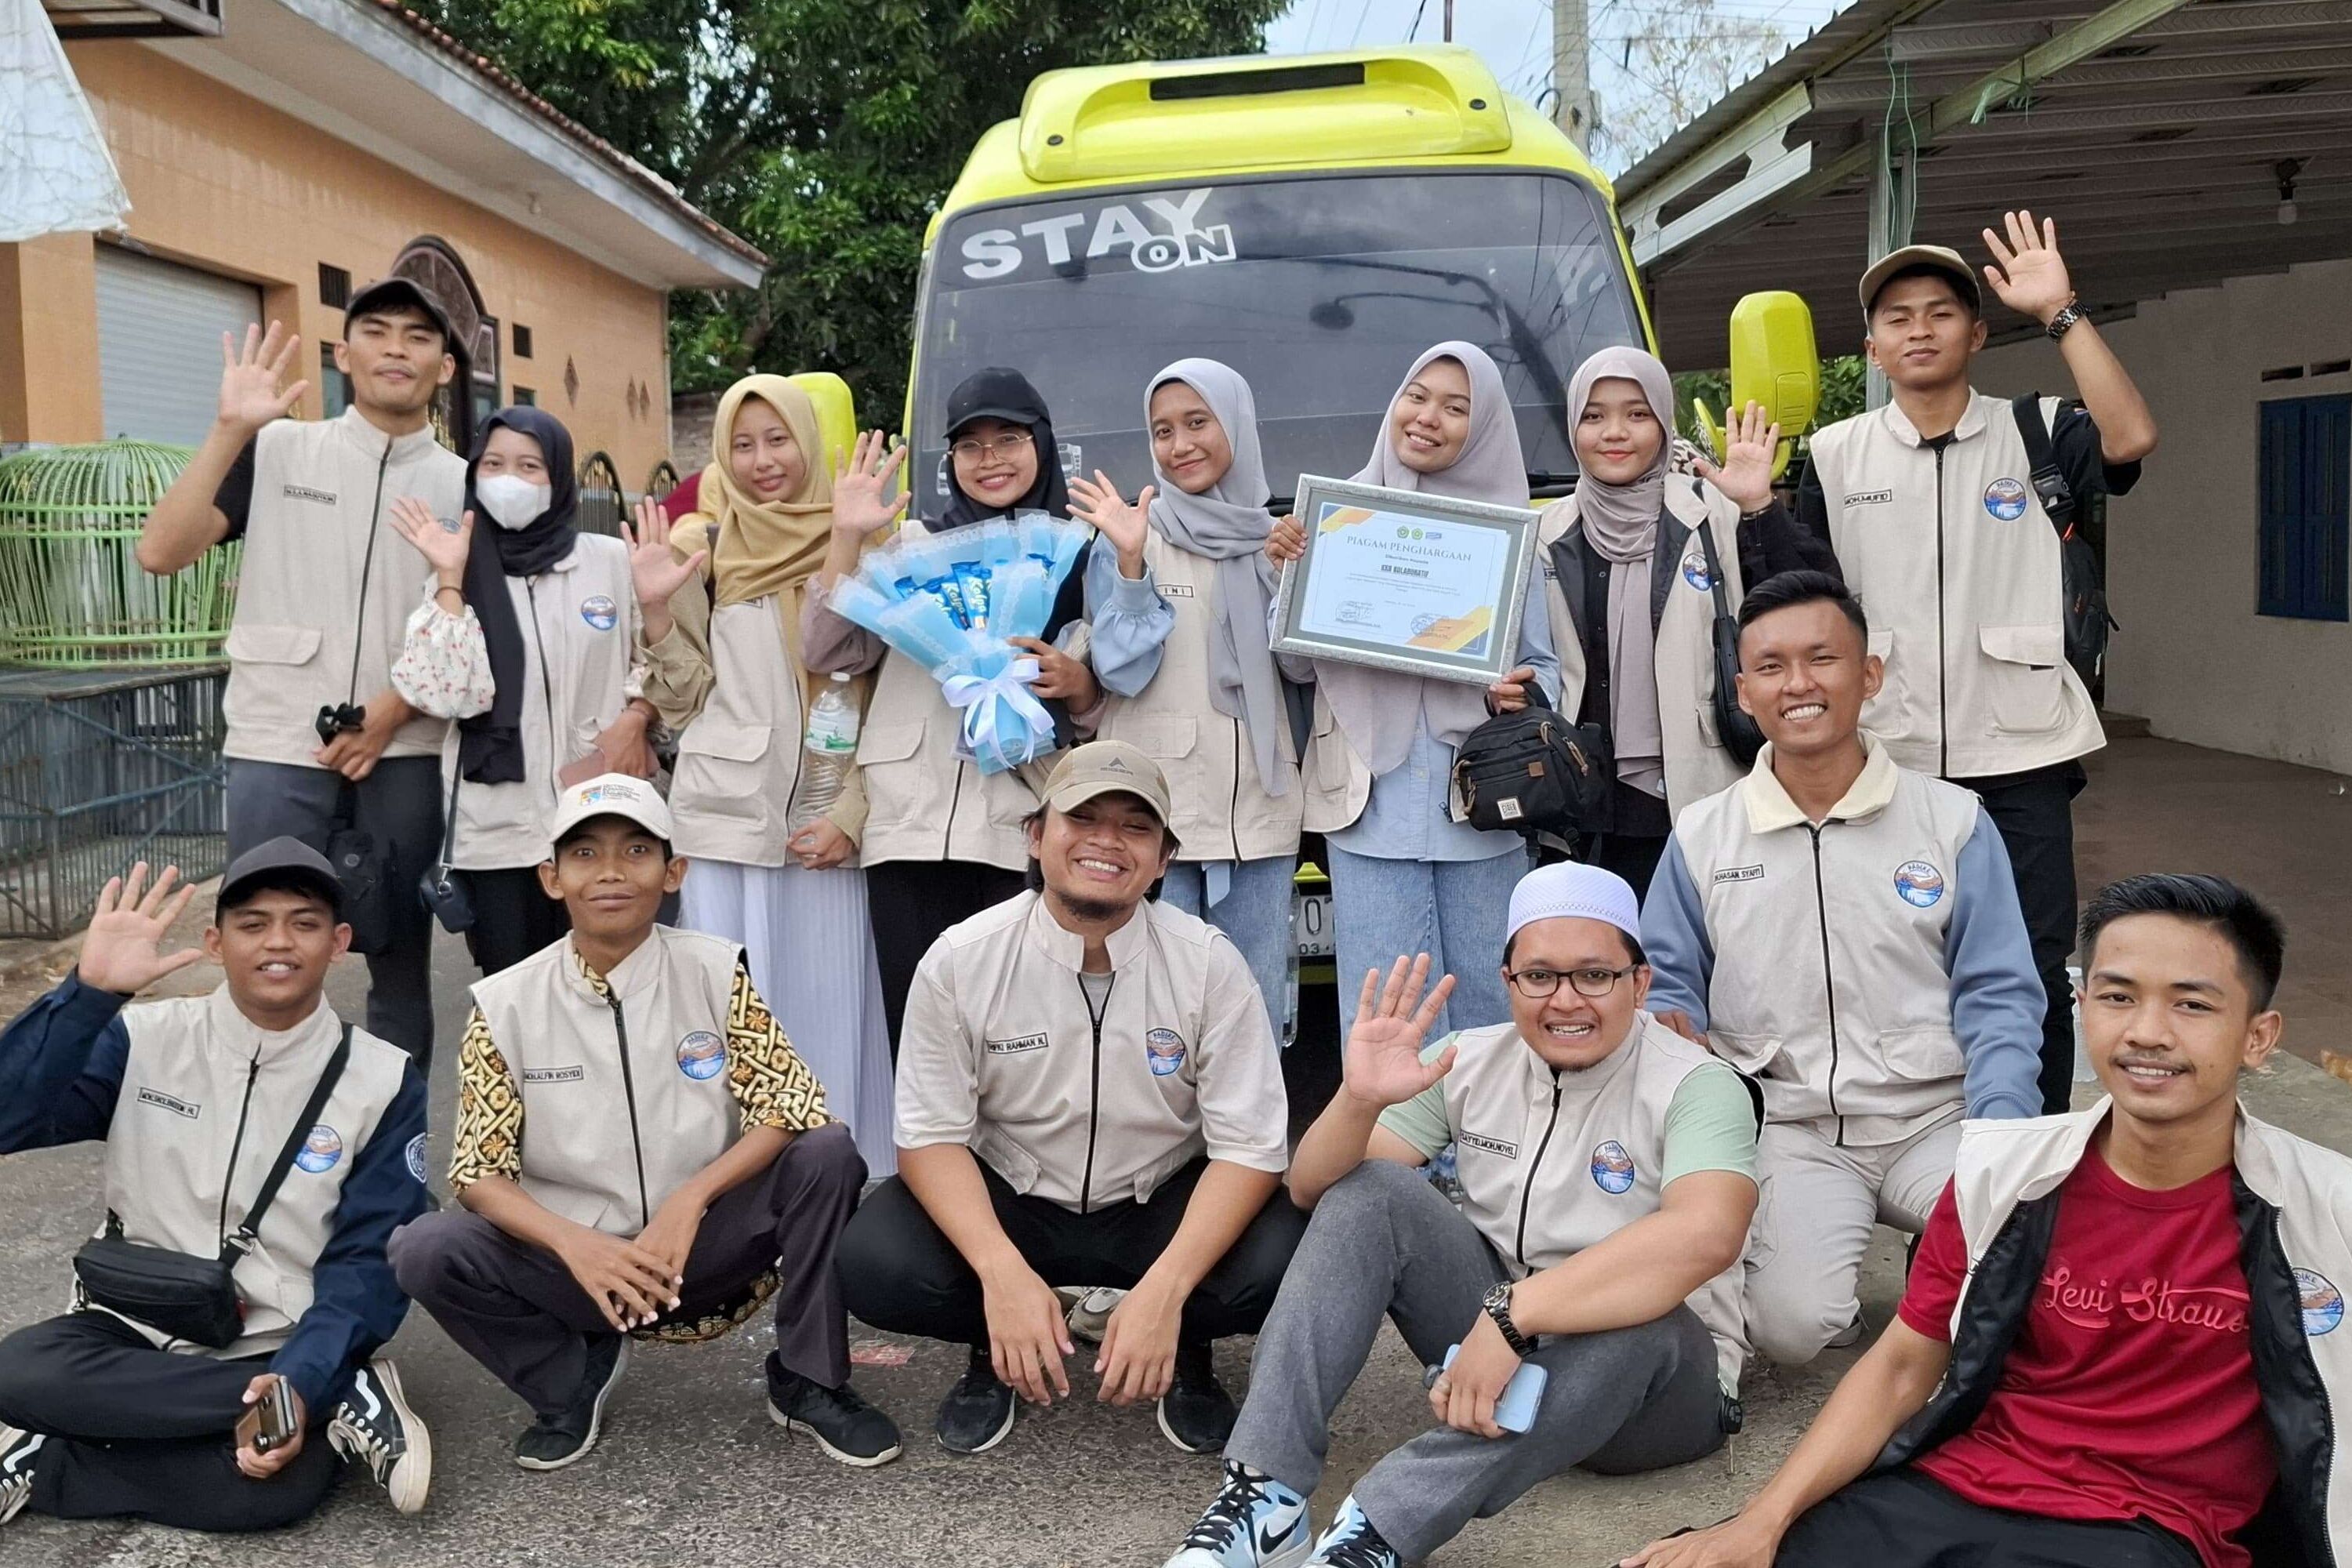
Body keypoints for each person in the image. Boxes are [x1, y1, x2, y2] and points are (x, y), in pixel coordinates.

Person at [1624, 873, 2346, 1568]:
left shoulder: (2327, 1211)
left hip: (2147, 1531)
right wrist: (1760, 1523)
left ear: (2259, 1036)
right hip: (1955, 1490)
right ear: (2082, 1006)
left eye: (2192, 1005)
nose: (2147, 1032)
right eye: (2119, 997)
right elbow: (1903, 1364)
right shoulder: (2004, 1175)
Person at [1167, 861, 1757, 1568]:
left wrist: (1516, 1313)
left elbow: (1705, 1234)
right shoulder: (1469, 1058)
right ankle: (1266, 1495)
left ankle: (1380, 1530)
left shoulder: (1697, 1082)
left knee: (1648, 1318)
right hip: (1498, 1350)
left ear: (1639, 982)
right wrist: (1357, 1100)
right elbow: (1312, 1190)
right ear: (1508, 984)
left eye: (1594, 975)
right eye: (1539, 976)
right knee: (1371, 1190)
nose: (1566, 1000)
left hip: (1655, 1393)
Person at [388, 775, 900, 1471]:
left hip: (705, 1249)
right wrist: (579, 1245)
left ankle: (809, 1379)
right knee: (426, 1246)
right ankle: (567, 1379)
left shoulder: (714, 971)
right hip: (576, 1266)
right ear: (551, 877)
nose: (610, 873)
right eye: (585, 855)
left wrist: (689, 1202)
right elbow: (479, 1173)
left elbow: (792, 1105)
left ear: (673, 872)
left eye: (635, 851)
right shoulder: (505, 1003)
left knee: (829, 1153)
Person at [836, 742, 1305, 1457]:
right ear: (1035, 834)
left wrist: (1166, 1292)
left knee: (1287, 1259)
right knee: (876, 1262)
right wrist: (999, 1274)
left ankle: (1184, 1349)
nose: (1106, 842)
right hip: (1015, 1197)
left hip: (1156, 1202)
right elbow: (930, 1135)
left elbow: (1250, 1146)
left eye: (1135, 827)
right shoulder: (962, 958)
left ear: (1163, 858)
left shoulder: (1208, 962)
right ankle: (997, 1343)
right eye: (1081, 817)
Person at [1641, 571, 2045, 1370]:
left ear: (1868, 675)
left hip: (1938, 1117)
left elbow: (1999, 994)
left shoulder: (1952, 821)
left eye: (1822, 659)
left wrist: (2000, 1136)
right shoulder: (1701, 834)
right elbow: (1665, 979)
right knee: (1790, 1328)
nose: (1798, 684)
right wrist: (1671, 1034)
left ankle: (1944, 1262)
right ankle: (1867, 1295)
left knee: (2022, 1287)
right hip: (1791, 1127)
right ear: (1744, 692)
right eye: (1771, 666)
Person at [1800, 212, 2158, 1114]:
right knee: (1894, 957)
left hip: (2024, 755)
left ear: (1977, 331)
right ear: (1874, 348)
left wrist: (2064, 312)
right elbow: (1804, 603)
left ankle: (2025, 1153)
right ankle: (1916, 1149)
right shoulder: (1833, 457)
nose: (1919, 328)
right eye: (1897, 318)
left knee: (2033, 966)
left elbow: (2131, 439)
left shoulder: (2039, 428)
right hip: (1890, 756)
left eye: (1940, 312)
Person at [0, 844, 431, 1530]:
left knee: (266, 1492)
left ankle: (48, 1452)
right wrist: (88, 995)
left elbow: (368, 1258)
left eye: (305, 922)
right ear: (214, 941)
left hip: (278, 1338)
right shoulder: (142, 1037)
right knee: (16, 1374)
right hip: (130, 1325)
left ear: (340, 943)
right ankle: (336, 1395)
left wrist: (300, 1370)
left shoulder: (382, 1079)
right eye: (253, 923)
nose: (279, 942)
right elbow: (8, 1116)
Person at [135, 282, 466, 1066]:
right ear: (343, 357)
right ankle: (260, 1146)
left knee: (398, 965)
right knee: (267, 959)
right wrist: (229, 428)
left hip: (408, 748)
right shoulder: (281, 449)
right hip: (277, 740)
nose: (395, 347)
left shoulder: (464, 483)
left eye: (418, 337)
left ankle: (393, 1159)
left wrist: (393, 709)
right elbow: (160, 550)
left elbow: (474, 624)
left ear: (445, 366)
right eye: (375, 332)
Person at [801, 368, 1167, 1048]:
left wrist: (1075, 684)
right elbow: (829, 652)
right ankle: (928, 1159)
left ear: (1044, 445)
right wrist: (846, 536)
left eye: (1009, 438)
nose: (990, 459)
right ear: (951, 461)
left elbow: (1108, 701)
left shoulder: (1079, 549)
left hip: (1019, 828)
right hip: (907, 827)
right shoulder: (909, 549)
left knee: (1019, 1034)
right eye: (971, 445)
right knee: (916, 1029)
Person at [630, 375, 902, 1172]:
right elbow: (679, 698)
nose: (762, 461)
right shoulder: (701, 547)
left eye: (778, 438)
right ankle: (737, 1198)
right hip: (725, 828)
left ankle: (835, 1200)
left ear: (809, 441)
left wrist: (851, 811)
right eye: (742, 444)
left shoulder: (869, 539)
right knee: (735, 1027)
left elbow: (888, 699)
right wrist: (654, 612)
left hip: (824, 830)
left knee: (827, 1018)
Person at [1266, 342, 1560, 1036]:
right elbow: (1297, 671)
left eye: (1457, 408)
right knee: (1384, 1014)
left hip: (1481, 806)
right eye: (1418, 395)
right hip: (1370, 805)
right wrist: (1293, 582)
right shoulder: (1336, 524)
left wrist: (1513, 693)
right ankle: (1393, 1150)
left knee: (1494, 1005)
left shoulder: (1512, 536)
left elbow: (1545, 672)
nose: (1429, 417)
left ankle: (1491, 1145)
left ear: (1483, 425)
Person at [1537, 347, 1839, 897]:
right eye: (1594, 416)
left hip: (1699, 788)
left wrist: (1759, 507)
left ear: (1662, 422)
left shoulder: (1711, 511)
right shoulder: (1544, 533)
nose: (1615, 432)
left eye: (1637, 413)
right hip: (1579, 803)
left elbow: (1813, 606)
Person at [1067, 359, 1304, 1030]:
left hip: (1259, 809)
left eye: (1198, 423)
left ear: (1238, 425)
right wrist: (1134, 567)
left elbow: (1306, 675)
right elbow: (1119, 669)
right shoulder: (1128, 537)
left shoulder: (1278, 541)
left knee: (1248, 1001)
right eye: (1163, 430)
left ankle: (1244, 1134)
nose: (1181, 445)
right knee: (1146, 1002)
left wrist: (1288, 581)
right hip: (1153, 816)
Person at [382, 405, 659, 976]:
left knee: (617, 987)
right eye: (495, 464)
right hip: (498, 834)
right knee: (516, 997)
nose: (510, 480)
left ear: (558, 479)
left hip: (601, 818)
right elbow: (449, 696)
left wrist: (636, 717)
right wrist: (452, 578)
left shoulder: (609, 562)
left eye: (530, 466)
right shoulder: (453, 568)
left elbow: (663, 663)